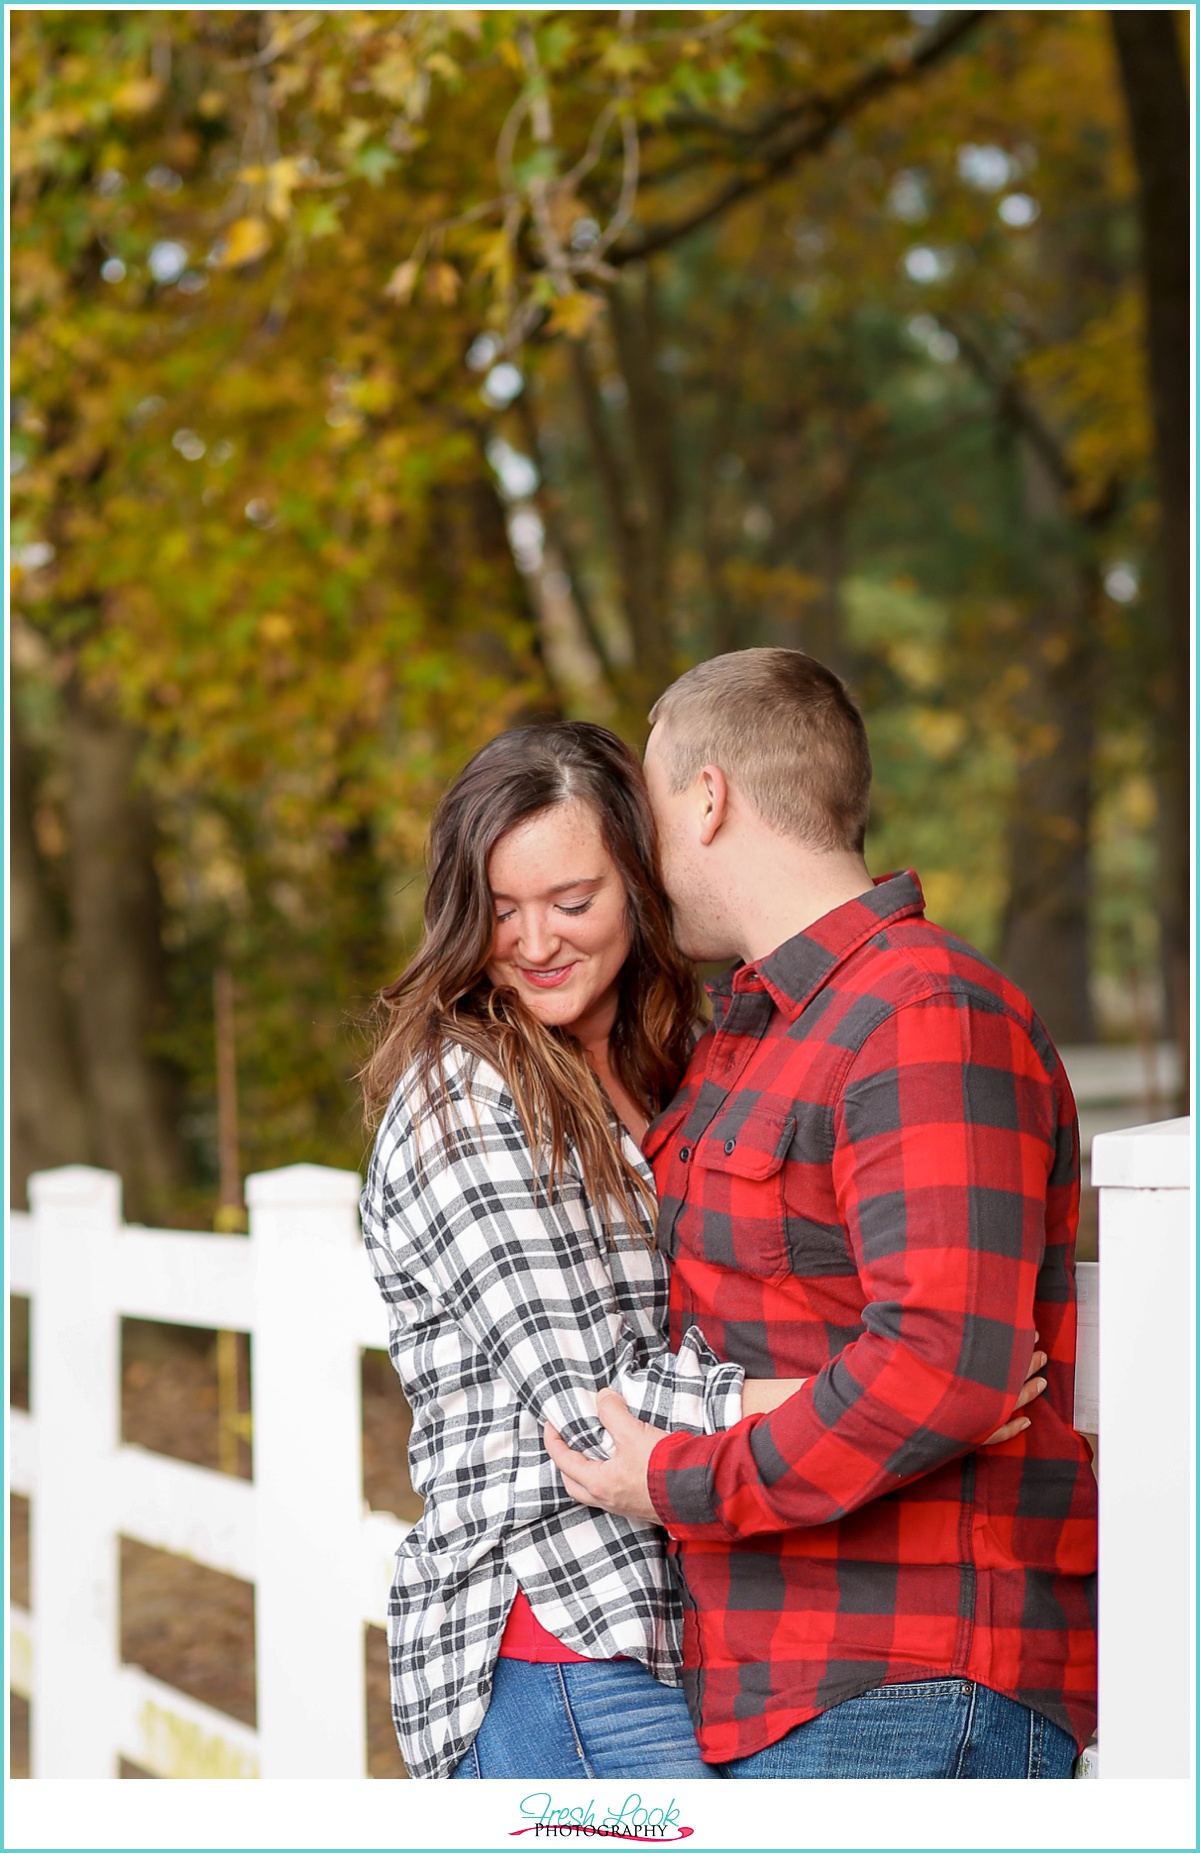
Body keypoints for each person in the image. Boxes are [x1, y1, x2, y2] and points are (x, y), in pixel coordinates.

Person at [546, 648, 1097, 1781]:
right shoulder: (753, 1038)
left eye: (645, 813)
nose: (638, 859)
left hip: (909, 1677)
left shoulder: (924, 1010)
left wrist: (678, 1476)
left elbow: (945, 1364)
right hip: (763, 1686)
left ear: (707, 799)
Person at [358, 722, 814, 1781]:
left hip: (686, 1619)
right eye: (501, 910)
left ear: (641, 890)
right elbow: (593, 1406)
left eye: (572, 902)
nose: (534, 942)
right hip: (553, 1630)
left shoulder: (680, 1072)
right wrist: (879, 1392)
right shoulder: (460, 1095)